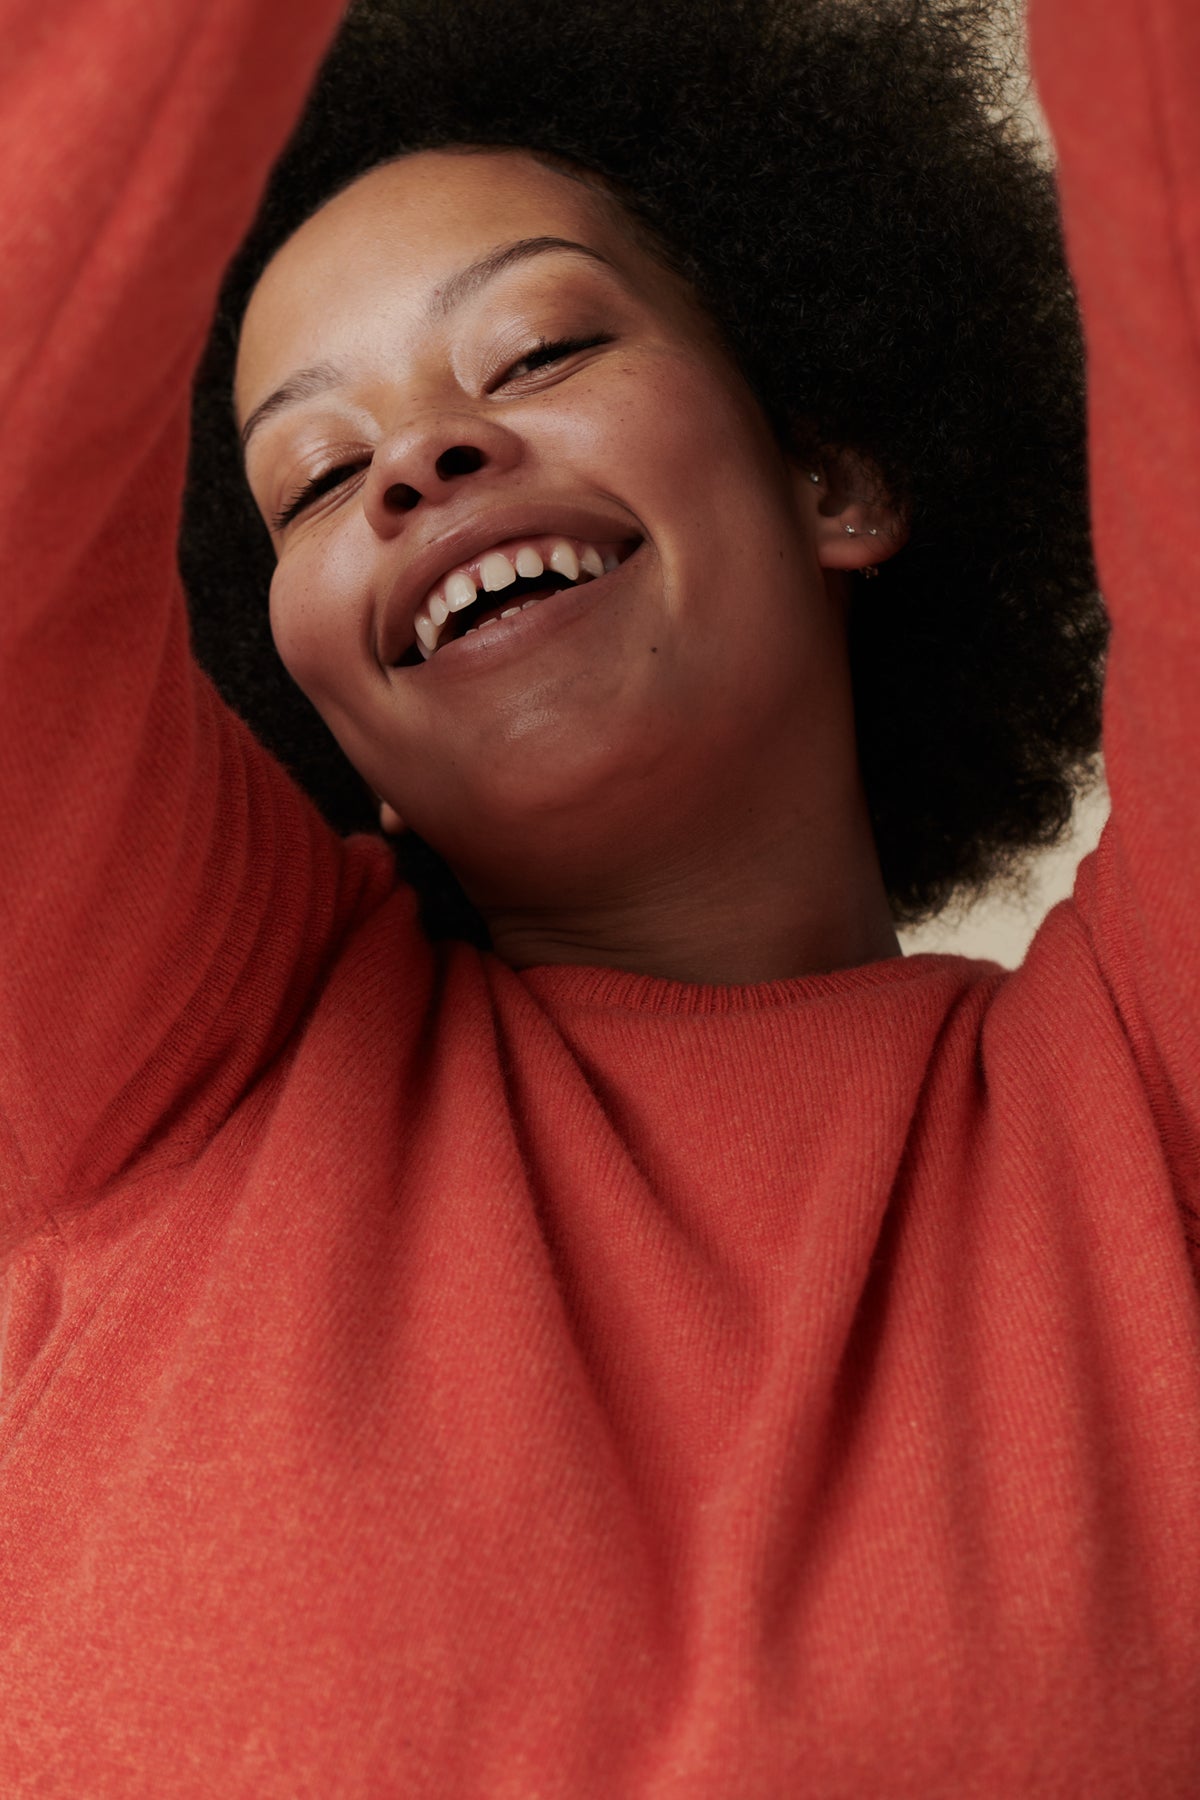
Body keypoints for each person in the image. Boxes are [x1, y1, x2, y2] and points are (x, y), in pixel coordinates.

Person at [0, 0, 1197, 1791]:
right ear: (320, 717)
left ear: (830, 479)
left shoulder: (1145, 1109)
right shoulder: (178, 1061)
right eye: (315, 478)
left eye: (541, 350)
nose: (417, 459)